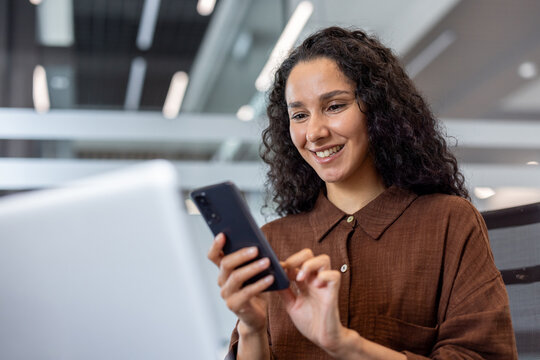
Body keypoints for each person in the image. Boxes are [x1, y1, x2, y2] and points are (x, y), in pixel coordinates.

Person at [208, 27, 518, 359]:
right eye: (299, 115)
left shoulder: (448, 222)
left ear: (377, 109)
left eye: (334, 106)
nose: (315, 132)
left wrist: (345, 344)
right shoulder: (273, 243)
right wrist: (252, 329)